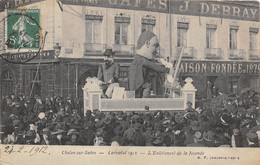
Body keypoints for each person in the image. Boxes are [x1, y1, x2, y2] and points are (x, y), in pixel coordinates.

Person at [128, 31, 170, 98]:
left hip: (137, 87)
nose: (156, 50)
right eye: (155, 46)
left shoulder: (138, 59)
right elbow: (156, 67)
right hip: (138, 87)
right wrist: (168, 70)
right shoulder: (141, 59)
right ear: (147, 43)